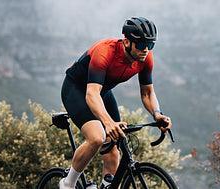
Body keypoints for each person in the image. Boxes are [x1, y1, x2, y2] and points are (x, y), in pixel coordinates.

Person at [59, 17, 172, 189]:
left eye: (151, 45)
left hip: (102, 92)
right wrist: (107, 122)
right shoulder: (105, 51)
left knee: (114, 145)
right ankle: (67, 183)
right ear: (127, 41)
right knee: (98, 137)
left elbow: (147, 93)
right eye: (141, 45)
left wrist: (157, 114)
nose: (146, 50)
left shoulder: (145, 58)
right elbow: (91, 94)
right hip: (77, 90)